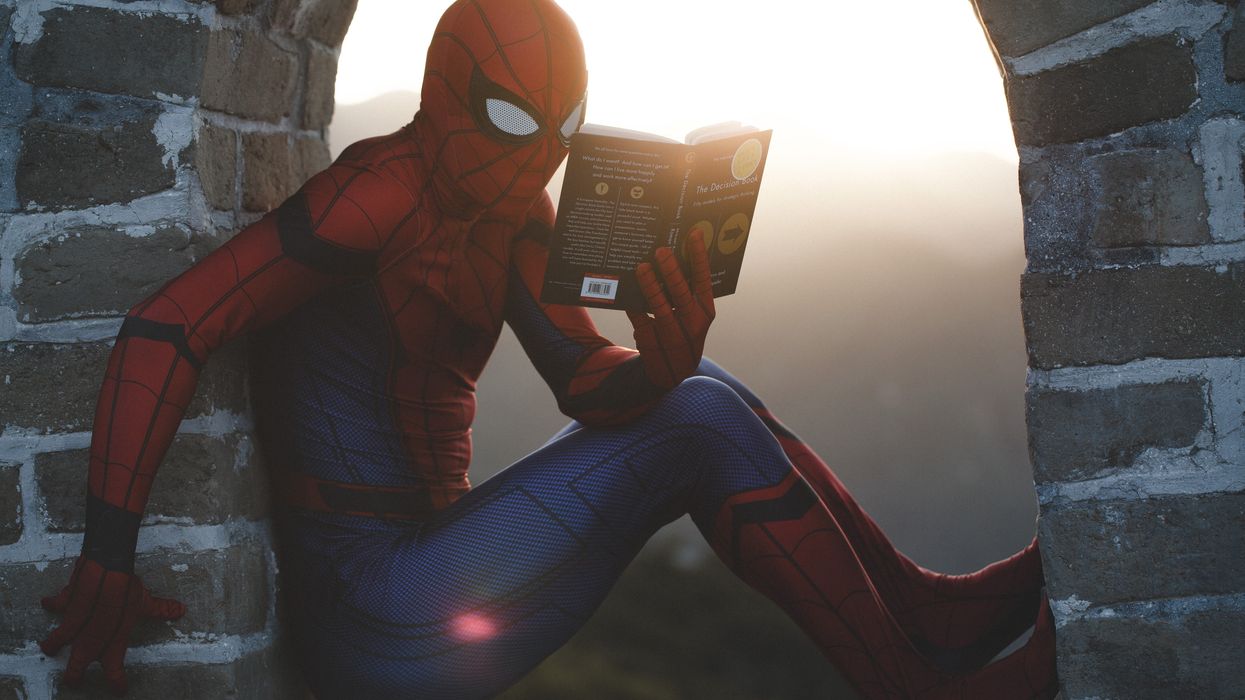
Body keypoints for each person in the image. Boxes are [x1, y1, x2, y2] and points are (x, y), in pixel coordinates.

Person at [37, 0, 1057, 697]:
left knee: (701, 388)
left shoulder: (515, 208)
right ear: (445, 95)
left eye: (562, 127)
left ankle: (925, 611)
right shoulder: (376, 196)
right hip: (367, 609)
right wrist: (107, 556)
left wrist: (659, 358)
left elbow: (582, 378)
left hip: (448, 569)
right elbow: (171, 322)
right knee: (698, 419)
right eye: (509, 119)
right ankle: (915, 683)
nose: (538, 154)